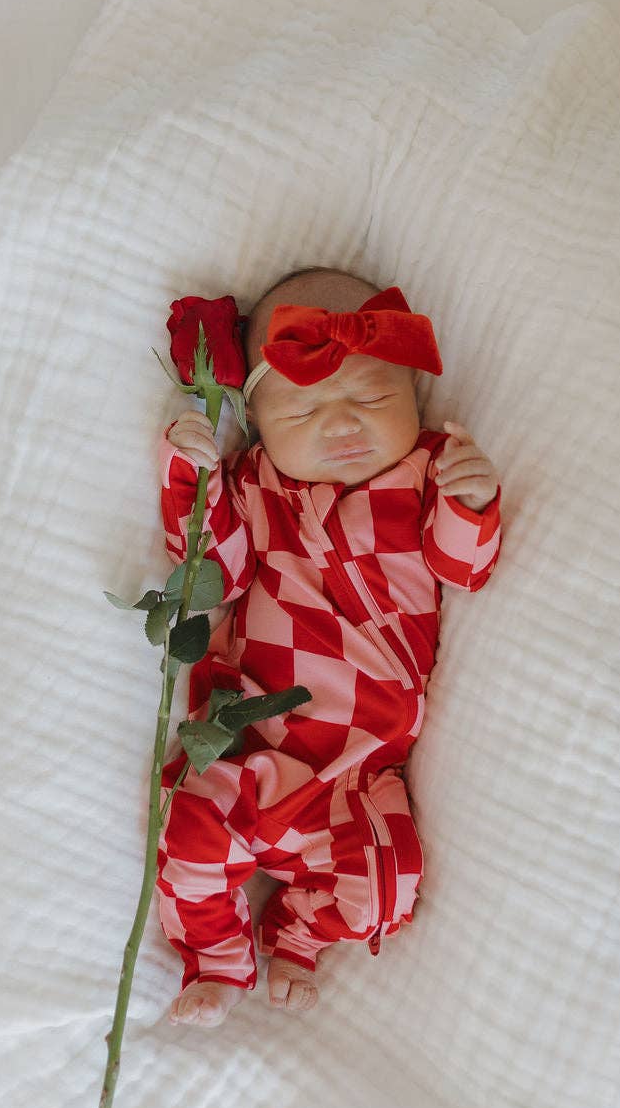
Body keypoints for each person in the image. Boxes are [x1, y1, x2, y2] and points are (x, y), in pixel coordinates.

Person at [156, 265, 502, 1027]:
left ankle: (298, 932)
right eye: (303, 408)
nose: (342, 425)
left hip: (360, 776)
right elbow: (213, 569)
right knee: (187, 825)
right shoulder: (258, 487)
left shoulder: (422, 474)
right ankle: (215, 956)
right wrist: (193, 475)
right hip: (256, 752)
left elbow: (464, 568)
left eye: (373, 398)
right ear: (257, 422)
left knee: (390, 885)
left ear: (414, 396)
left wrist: (472, 500)